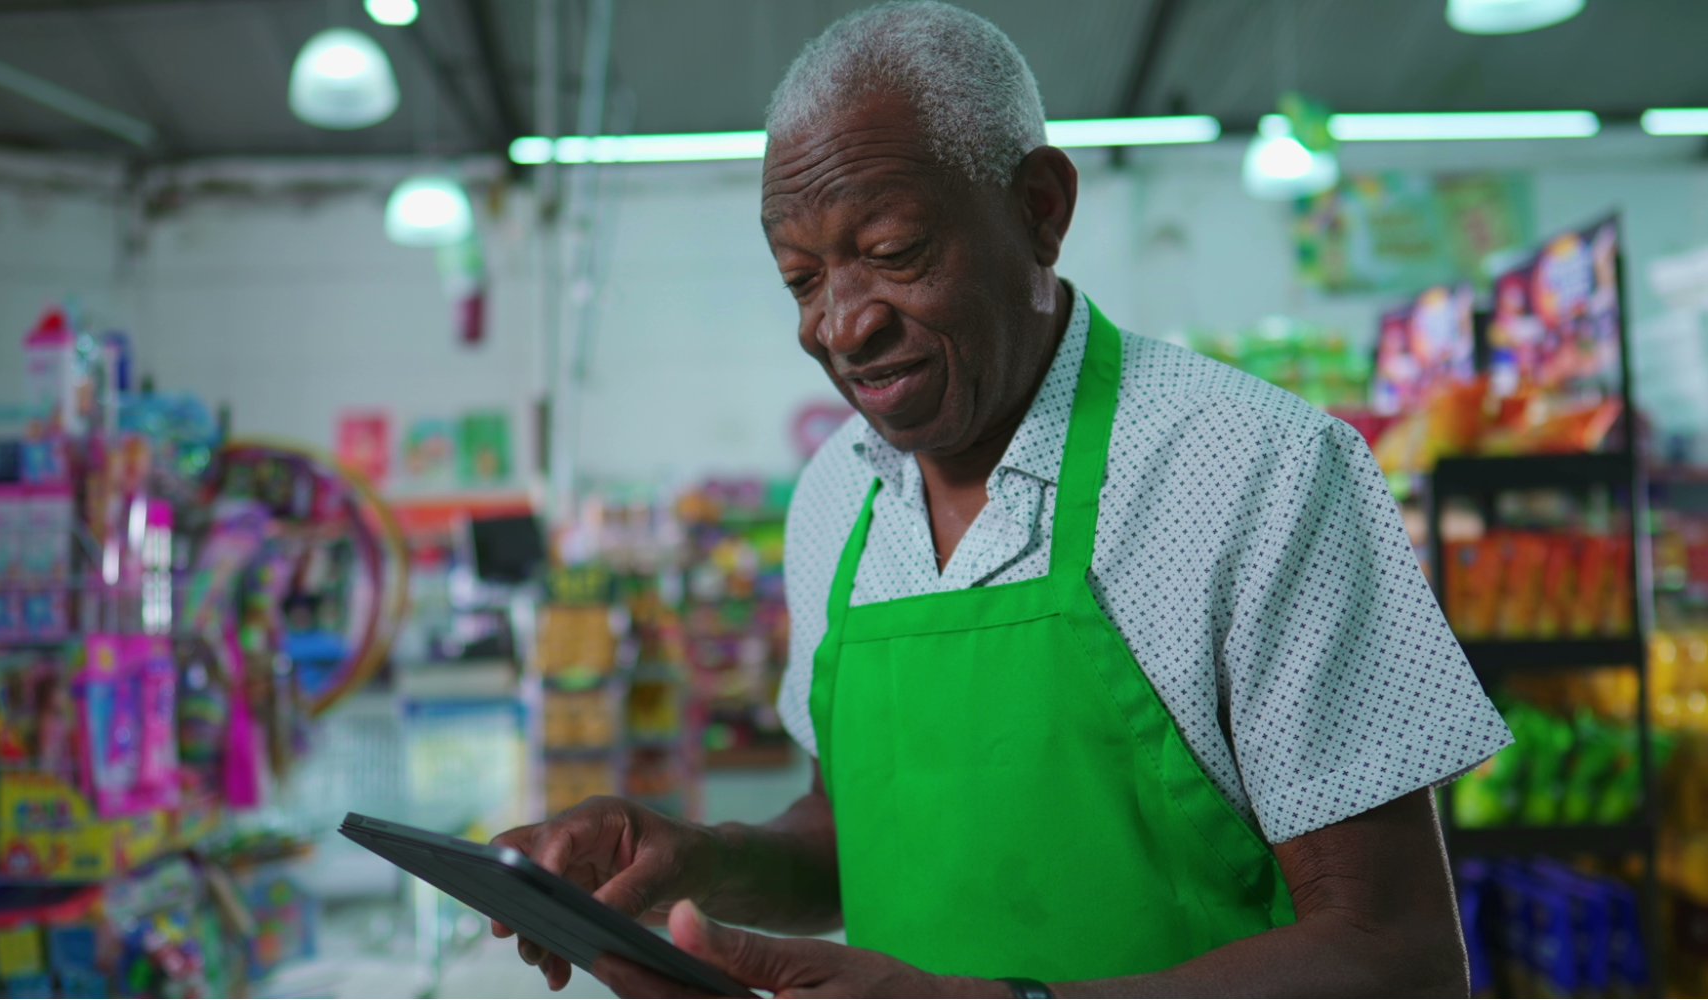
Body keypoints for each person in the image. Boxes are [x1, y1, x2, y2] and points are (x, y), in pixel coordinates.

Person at [493, 4, 1510, 997]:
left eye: (892, 253)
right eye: (802, 278)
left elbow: (1398, 952)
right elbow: (862, 833)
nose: (841, 328)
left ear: (1040, 210)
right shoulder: (835, 497)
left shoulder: (1258, 470)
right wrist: (694, 859)